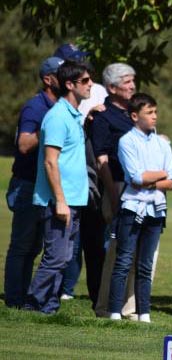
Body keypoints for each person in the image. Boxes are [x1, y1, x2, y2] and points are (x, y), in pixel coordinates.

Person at [25, 60, 93, 314]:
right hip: (58, 201)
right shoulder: (57, 117)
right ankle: (34, 305)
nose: (90, 85)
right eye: (85, 81)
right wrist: (60, 200)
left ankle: (48, 307)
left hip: (74, 199)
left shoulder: (74, 116)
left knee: (63, 258)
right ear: (69, 84)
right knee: (56, 257)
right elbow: (50, 162)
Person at [108, 93, 172, 323]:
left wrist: (152, 178)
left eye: (155, 112)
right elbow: (136, 177)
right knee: (124, 260)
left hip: (156, 210)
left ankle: (144, 312)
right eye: (149, 113)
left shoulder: (162, 143)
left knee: (146, 264)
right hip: (132, 208)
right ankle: (115, 311)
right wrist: (160, 174)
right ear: (135, 115)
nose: (154, 117)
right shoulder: (126, 141)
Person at [3, 56, 63, 308]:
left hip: (42, 186)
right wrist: (51, 128)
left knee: (34, 247)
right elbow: (25, 143)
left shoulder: (57, 107)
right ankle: (14, 300)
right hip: (27, 185)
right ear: (48, 79)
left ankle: (23, 297)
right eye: (62, 75)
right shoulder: (36, 108)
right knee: (22, 246)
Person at [52, 43, 108, 305]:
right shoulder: (60, 108)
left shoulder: (97, 91)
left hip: (90, 177)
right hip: (70, 179)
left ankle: (90, 293)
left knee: (91, 240)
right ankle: (60, 291)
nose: (89, 81)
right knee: (66, 245)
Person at [91, 63, 141, 318]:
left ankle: (130, 308)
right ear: (111, 88)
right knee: (117, 252)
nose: (133, 86)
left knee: (136, 252)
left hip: (139, 190)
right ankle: (105, 307)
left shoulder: (135, 115)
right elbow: (102, 161)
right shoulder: (102, 118)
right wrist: (113, 195)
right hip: (118, 187)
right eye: (127, 81)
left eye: (133, 81)